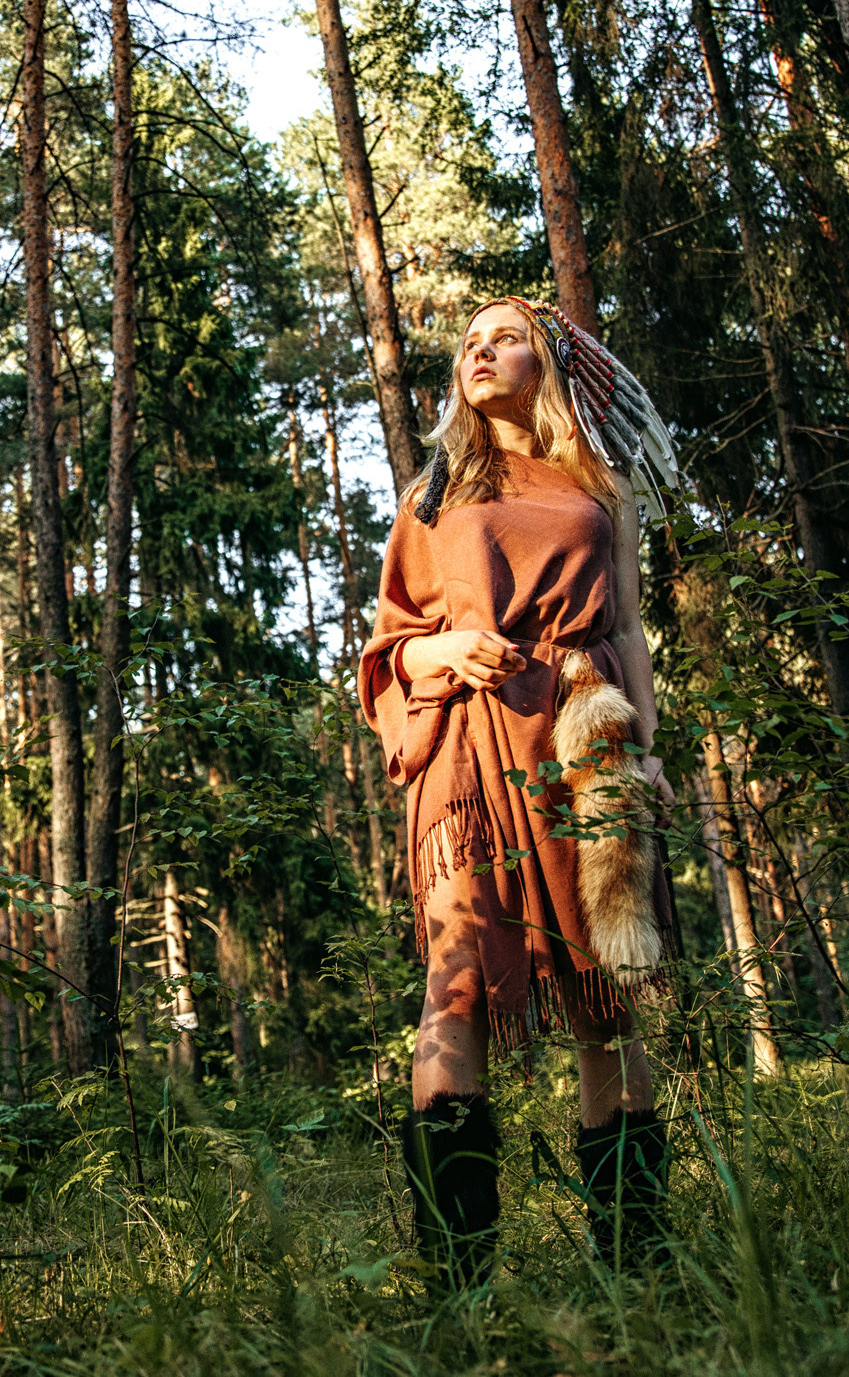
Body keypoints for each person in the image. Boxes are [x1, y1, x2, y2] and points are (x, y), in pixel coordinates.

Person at [359, 297, 680, 1290]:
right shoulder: (435, 493)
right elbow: (391, 641)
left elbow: (625, 628)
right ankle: (456, 1282)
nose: (480, 352)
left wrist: (647, 751)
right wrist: (448, 647)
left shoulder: (600, 487)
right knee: (455, 981)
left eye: (503, 338)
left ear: (547, 362)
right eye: (468, 343)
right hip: (466, 746)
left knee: (602, 995)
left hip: (583, 742)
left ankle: (637, 1264)